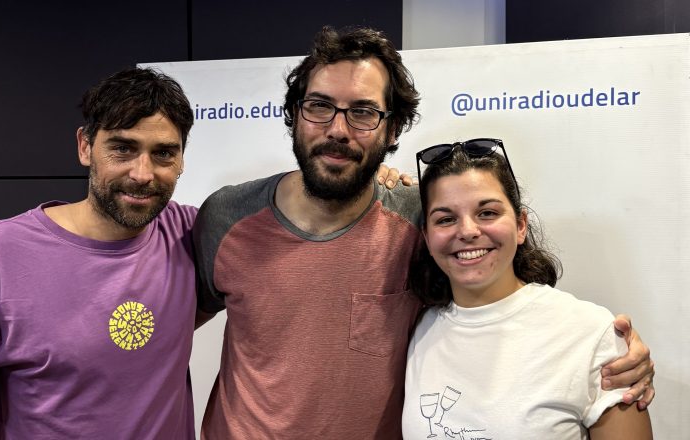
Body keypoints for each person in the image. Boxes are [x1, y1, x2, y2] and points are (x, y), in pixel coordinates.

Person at [192, 26, 654, 438]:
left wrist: (606, 349)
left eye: (363, 112)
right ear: (295, 114)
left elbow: (504, 296)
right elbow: (171, 322)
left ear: (392, 129)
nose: (338, 129)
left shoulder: (419, 218)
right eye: (319, 106)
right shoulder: (226, 216)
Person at [0, 68, 199, 439]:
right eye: (123, 148)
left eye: (163, 154)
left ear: (182, 160)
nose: (142, 173)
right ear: (85, 146)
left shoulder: (191, 236)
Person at [403, 139, 653, 439]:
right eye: (446, 219)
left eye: (487, 213)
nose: (468, 231)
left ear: (521, 225)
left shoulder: (591, 333)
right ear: (427, 238)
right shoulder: (418, 328)